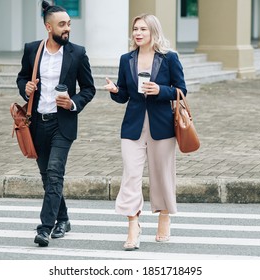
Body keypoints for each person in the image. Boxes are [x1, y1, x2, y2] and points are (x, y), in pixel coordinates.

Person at [104, 14, 187, 251]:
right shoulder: (126, 59)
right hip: (133, 126)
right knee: (131, 174)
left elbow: (181, 90)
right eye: (135, 29)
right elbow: (123, 96)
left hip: (161, 125)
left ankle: (164, 216)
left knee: (162, 173)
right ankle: (133, 224)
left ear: (153, 32)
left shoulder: (169, 58)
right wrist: (114, 90)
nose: (138, 33)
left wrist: (160, 89)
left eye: (143, 29)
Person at [16, 0, 95, 247]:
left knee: (54, 173)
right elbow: (21, 77)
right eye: (62, 25)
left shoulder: (78, 53)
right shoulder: (32, 50)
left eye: (69, 24)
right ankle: (63, 218)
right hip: (37, 123)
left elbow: (89, 89)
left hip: (63, 124)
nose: (67, 29)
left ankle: (45, 228)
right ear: (48, 27)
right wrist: (25, 88)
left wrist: (72, 103)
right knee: (46, 175)